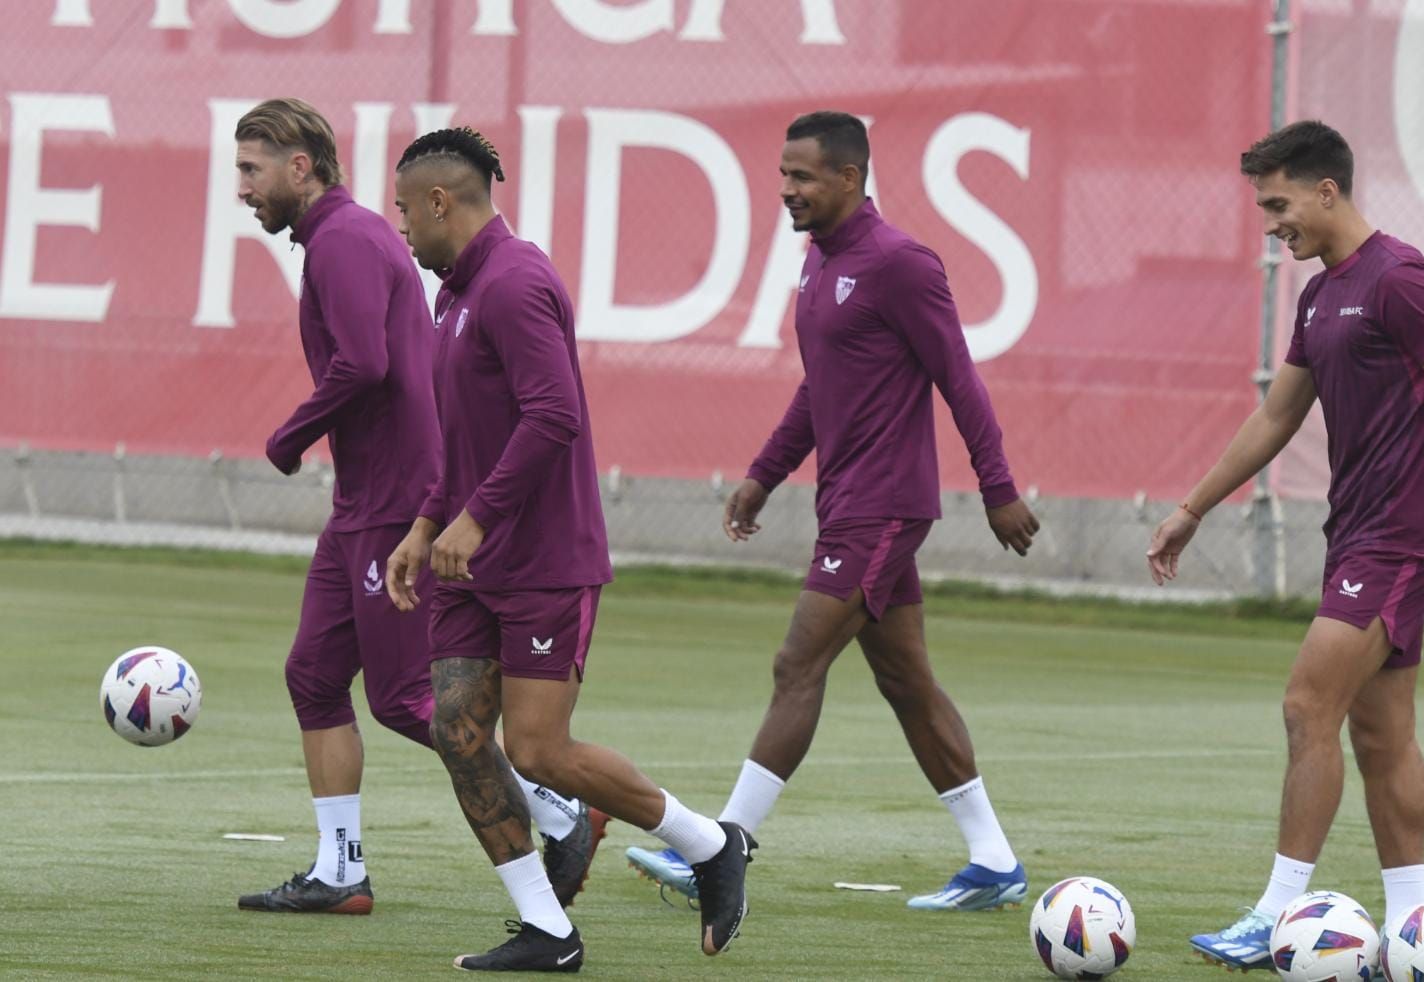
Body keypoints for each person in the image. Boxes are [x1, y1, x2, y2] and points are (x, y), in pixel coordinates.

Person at [624, 110, 1041, 912]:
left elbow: (959, 377)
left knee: (796, 663)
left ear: (850, 178)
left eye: (803, 176)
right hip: (848, 500)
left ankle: (722, 848)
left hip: (883, 507)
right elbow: (821, 387)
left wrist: (998, 488)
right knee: (906, 680)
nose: (787, 190)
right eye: (783, 174)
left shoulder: (901, 264)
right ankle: (993, 861)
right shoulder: (821, 263)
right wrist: (764, 474)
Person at [383, 127, 753, 972]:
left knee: (539, 751)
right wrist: (427, 524)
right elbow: (465, 439)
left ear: (442, 201)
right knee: (457, 729)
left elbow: (554, 416)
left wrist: (475, 519)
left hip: (544, 558)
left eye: (405, 209)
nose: (401, 225)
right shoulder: (453, 295)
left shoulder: (515, 283)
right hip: (472, 562)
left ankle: (709, 843)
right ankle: (547, 929)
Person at [230, 99, 603, 918]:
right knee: (314, 676)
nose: (242, 189)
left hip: (396, 500)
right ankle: (340, 871)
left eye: (251, 169)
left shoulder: (347, 240)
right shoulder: (340, 240)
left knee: (406, 696)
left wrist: (291, 433)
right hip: (364, 499)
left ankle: (561, 810)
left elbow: (364, 362)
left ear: (301, 167)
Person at [1146, 120, 1424, 971]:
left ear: (1326, 190)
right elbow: (1276, 415)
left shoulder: (1401, 278)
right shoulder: (1318, 294)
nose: (1270, 224)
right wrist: (1193, 507)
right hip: (1356, 537)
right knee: (1382, 736)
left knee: (1307, 706)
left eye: (1278, 204)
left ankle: (1276, 914)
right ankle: (1413, 933)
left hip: (1400, 541)